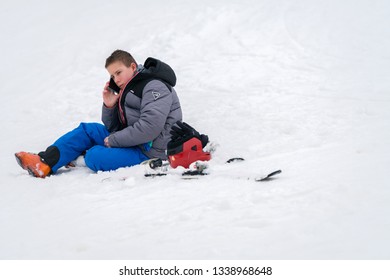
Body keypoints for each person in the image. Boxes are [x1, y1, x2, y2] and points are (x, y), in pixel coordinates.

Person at [15, 50, 182, 178]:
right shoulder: (128, 87)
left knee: (95, 156)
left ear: (132, 66)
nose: (115, 79)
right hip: (134, 141)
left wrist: (113, 140)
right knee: (87, 130)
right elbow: (115, 127)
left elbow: (149, 128)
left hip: (149, 151)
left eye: (118, 72)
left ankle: (77, 155)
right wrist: (109, 106)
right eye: (112, 75)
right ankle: (43, 163)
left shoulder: (154, 86)